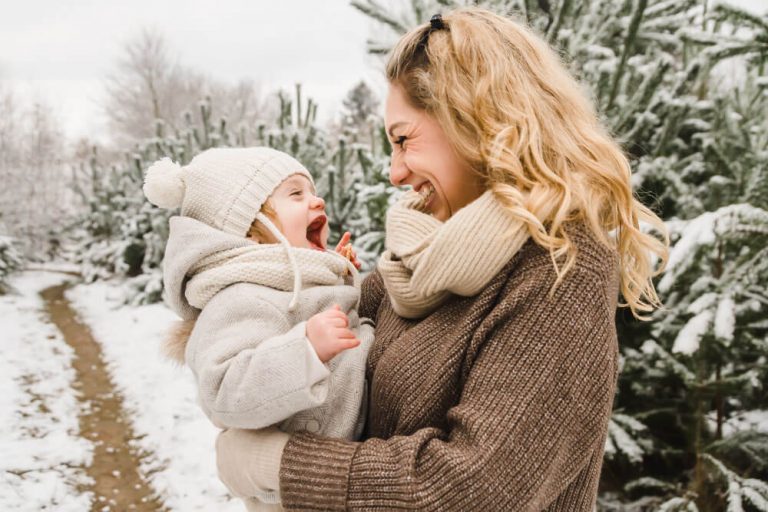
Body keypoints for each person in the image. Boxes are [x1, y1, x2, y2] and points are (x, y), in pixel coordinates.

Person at [215, 7, 669, 511]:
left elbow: (470, 490)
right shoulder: (411, 264)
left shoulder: (561, 267)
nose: (394, 172)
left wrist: (277, 464)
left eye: (404, 140)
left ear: (475, 119)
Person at [142, 147, 374, 511]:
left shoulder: (291, 280)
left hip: (342, 476)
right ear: (250, 228)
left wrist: (337, 272)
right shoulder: (242, 297)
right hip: (298, 497)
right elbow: (223, 390)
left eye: (311, 191)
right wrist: (305, 352)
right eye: (296, 194)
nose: (317, 200)